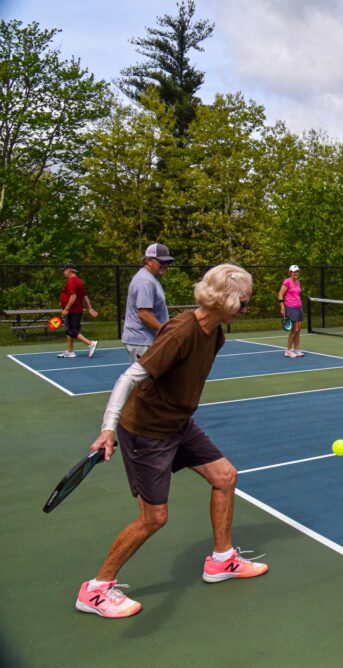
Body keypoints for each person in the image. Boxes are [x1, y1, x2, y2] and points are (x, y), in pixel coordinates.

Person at [75, 264, 268, 619]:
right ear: (225, 301)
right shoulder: (181, 331)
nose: (246, 309)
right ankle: (96, 589)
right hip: (146, 429)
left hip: (178, 424)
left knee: (225, 477)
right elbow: (129, 378)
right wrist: (107, 428)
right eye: (243, 302)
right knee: (154, 518)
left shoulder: (216, 334)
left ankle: (221, 560)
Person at [122, 243, 173, 362]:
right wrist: (166, 332)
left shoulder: (151, 278)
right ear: (149, 261)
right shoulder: (145, 281)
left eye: (168, 263)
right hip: (142, 341)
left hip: (147, 340)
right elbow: (144, 314)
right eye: (162, 262)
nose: (166, 265)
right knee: (146, 380)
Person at [58, 263, 99, 358]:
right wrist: (90, 308)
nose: (64, 273)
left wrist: (66, 309)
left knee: (71, 330)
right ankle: (70, 351)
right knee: (69, 329)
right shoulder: (79, 281)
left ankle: (90, 343)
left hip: (73, 310)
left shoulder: (72, 282)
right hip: (76, 310)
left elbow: (73, 296)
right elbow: (85, 296)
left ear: (69, 270)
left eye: (64, 270)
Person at [279, 264, 304, 357]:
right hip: (290, 307)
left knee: (298, 329)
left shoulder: (298, 282)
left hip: (298, 307)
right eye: (294, 271)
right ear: (290, 273)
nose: (296, 273)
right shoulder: (287, 282)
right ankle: (288, 351)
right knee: (294, 329)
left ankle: (296, 349)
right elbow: (280, 294)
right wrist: (282, 306)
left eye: (297, 271)